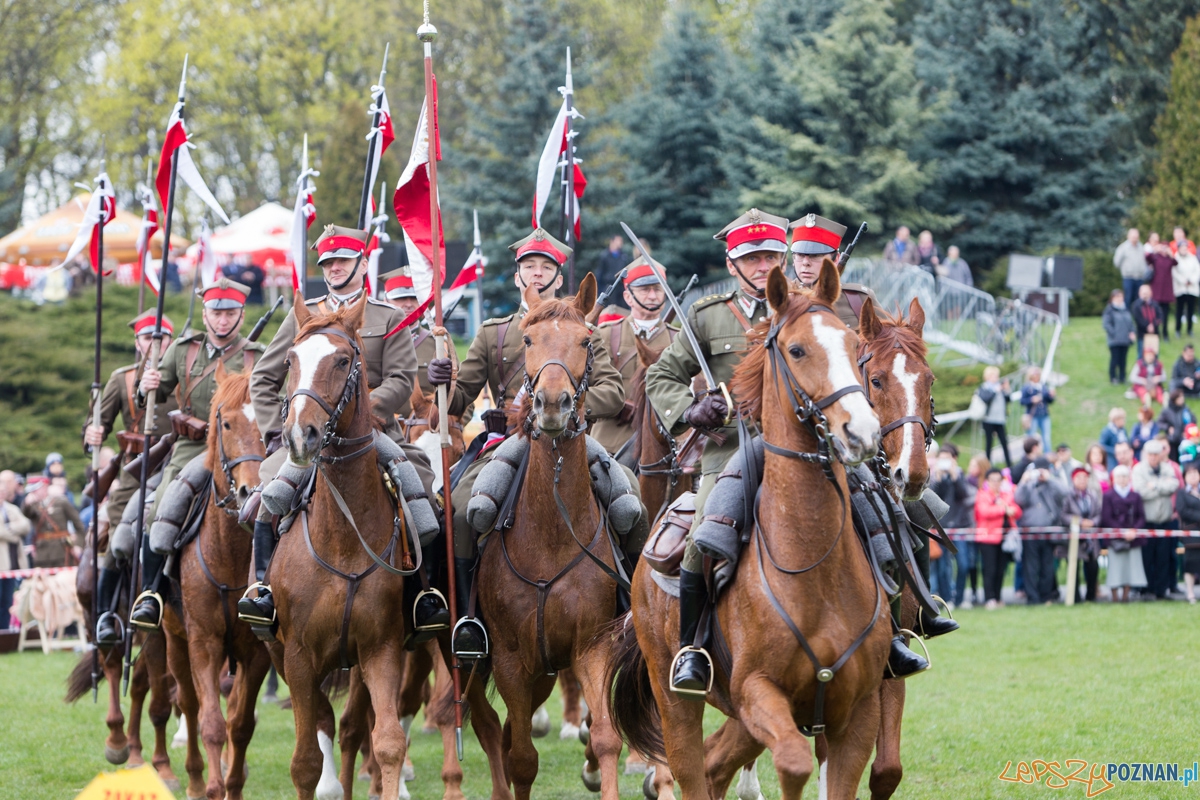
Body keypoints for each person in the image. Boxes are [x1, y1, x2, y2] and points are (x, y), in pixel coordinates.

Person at [649, 207, 929, 691]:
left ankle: (894, 632)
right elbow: (661, 375)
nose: (762, 266)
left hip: (816, 448)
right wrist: (691, 410)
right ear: (733, 264)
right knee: (702, 537)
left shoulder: (811, 311)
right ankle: (693, 648)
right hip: (731, 447)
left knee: (882, 516)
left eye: (769, 256)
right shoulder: (708, 314)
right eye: (751, 259)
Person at [424, 226, 629, 659]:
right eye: (528, 267)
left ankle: (630, 611)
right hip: (506, 444)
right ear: (517, 276)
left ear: (558, 275)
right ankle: (469, 620)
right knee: (461, 511)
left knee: (629, 503)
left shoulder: (580, 325)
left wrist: (573, 404)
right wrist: (442, 382)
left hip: (572, 440)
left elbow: (613, 391)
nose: (537, 274)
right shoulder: (495, 332)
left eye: (546, 267)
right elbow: (456, 402)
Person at [241, 225, 444, 640]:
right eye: (328, 263)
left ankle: (425, 597)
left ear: (363, 264)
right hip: (310, 437)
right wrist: (276, 432)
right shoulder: (305, 314)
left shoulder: (387, 317)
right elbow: (263, 378)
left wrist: (366, 415)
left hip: (369, 433)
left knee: (422, 494)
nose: (334, 268)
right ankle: (263, 589)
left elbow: (403, 378)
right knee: (266, 496)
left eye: (343, 261)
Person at [129, 279, 267, 629]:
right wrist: (146, 388)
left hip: (245, 448)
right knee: (162, 502)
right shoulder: (183, 349)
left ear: (241, 314)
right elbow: (153, 396)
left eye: (230, 313)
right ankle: (151, 592)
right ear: (205, 315)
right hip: (194, 446)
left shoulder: (257, 354)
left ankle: (272, 588)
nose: (223, 320)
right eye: (216, 313)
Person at [83, 310, 180, 644]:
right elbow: (96, 423)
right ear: (136, 342)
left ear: (171, 340)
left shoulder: (185, 370)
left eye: (161, 338)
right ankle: (106, 615)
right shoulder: (121, 378)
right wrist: (92, 435)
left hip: (180, 459)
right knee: (116, 534)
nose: (154, 344)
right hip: (135, 467)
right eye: (147, 338)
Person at [591, 256, 677, 454]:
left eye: (658, 289)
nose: (653, 296)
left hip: (663, 447)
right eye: (645, 290)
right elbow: (587, 387)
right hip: (610, 445)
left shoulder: (679, 339)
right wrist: (617, 405)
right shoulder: (605, 334)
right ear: (628, 297)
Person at [789, 213, 876, 329]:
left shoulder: (859, 299)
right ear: (793, 259)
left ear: (836, 259)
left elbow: (888, 341)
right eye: (799, 255)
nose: (806, 262)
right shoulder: (781, 300)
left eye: (815, 256)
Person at [1132, 439, 1180, 600]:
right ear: (1145, 454)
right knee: (1147, 557)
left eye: (1156, 454)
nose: (1153, 457)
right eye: (1150, 454)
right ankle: (1146, 590)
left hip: (1165, 521)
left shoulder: (1167, 468)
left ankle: (1161, 590)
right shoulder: (1138, 469)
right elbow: (1140, 492)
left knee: (1163, 557)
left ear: (1160, 455)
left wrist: (1154, 485)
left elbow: (1173, 486)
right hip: (1147, 521)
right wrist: (1161, 487)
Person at [1015, 456, 1066, 604]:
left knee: (1047, 566)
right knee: (1030, 567)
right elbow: (1018, 499)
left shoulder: (1053, 484)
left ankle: (1046, 595)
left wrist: (1050, 479)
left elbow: (1064, 493)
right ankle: (1032, 597)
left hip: (1049, 531)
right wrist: (1024, 482)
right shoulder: (1029, 484)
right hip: (1030, 532)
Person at [975, 468, 1021, 609]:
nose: (995, 483)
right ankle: (989, 598)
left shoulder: (1007, 495)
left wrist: (1007, 508)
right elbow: (984, 511)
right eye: (992, 480)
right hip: (987, 538)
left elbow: (1017, 511)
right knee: (990, 569)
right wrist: (1003, 509)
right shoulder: (982, 495)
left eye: (998, 480)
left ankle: (998, 597)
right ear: (987, 482)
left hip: (1005, 538)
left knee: (1001, 569)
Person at [1101, 465, 1147, 603]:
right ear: (1114, 479)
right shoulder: (1108, 496)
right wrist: (1122, 532)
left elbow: (1141, 517)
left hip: (1133, 538)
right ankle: (1114, 596)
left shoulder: (1135, 496)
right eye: (1119, 477)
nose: (1122, 479)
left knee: (1131, 568)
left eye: (1125, 476)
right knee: (1115, 568)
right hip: (1116, 538)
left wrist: (1133, 530)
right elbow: (1106, 518)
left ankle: (1125, 595)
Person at [929, 443, 968, 604]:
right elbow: (934, 498)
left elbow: (963, 494)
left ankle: (960, 598)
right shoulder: (934, 476)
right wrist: (937, 478)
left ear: (954, 460)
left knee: (963, 564)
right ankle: (947, 598)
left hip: (958, 526)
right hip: (941, 527)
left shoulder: (959, 474)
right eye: (942, 459)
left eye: (948, 459)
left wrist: (954, 476)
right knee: (943, 567)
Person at [22, 475, 83, 568]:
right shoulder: (32, 505)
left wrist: (78, 545)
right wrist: (26, 504)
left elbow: (79, 525)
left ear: (45, 487)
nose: (33, 493)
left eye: (35, 489)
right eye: (31, 491)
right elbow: (26, 514)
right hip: (42, 553)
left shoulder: (61, 502)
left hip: (61, 550)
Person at [1064, 466, 1102, 602]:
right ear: (1073, 479)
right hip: (1074, 537)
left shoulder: (1092, 495)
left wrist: (1092, 522)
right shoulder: (1068, 496)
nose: (1082, 480)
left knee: (1093, 567)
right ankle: (1075, 597)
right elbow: (1063, 515)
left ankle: (1091, 595)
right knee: (1074, 567)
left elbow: (1099, 512)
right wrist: (1079, 522)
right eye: (1078, 477)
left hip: (1091, 537)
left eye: (1084, 477)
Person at [957, 455, 990, 608]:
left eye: (974, 465)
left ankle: (978, 592)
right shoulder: (966, 482)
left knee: (979, 563)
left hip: (983, 528)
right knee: (968, 563)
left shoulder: (986, 485)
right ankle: (967, 593)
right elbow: (965, 500)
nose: (971, 468)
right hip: (968, 527)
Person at [0, 471, 31, 622]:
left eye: (2, 492)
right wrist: (14, 533)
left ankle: (4, 634)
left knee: (7, 601)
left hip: (12, 563)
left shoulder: (11, 508)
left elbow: (25, 525)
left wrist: (8, 528)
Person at [977, 366, 1012, 470]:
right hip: (988, 420)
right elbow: (985, 399)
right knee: (989, 443)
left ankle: (1009, 465)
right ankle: (988, 466)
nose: (996, 378)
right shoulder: (984, 387)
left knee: (1004, 442)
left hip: (1000, 419)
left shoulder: (999, 387)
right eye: (993, 376)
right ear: (988, 376)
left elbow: (1008, 399)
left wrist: (1007, 389)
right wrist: (995, 391)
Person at [1102, 289, 1136, 384]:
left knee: (1123, 360)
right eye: (1117, 296)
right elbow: (1106, 324)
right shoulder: (1109, 309)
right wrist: (1114, 334)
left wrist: (1132, 332)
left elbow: (1131, 323)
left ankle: (1122, 377)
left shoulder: (1125, 309)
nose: (1119, 299)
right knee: (1115, 359)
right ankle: (1113, 377)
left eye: (1121, 296)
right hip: (1114, 340)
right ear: (1112, 298)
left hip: (1125, 340)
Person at [1146, 238, 1177, 341]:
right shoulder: (1155, 257)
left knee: (1165, 313)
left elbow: (1176, 263)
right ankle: (1156, 331)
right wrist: (1155, 250)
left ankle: (1165, 332)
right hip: (1156, 290)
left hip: (1166, 290)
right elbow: (1147, 257)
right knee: (1155, 313)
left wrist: (1171, 253)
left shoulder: (1169, 259)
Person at [1019, 366, 1055, 451]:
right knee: (1031, 437)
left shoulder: (1042, 386)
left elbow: (1049, 400)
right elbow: (1022, 401)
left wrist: (1051, 396)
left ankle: (1048, 458)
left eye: (1038, 374)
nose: (1036, 376)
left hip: (1044, 414)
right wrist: (1031, 400)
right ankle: (1030, 456)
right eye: (1034, 374)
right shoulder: (1027, 388)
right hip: (1033, 416)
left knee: (1046, 438)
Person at [1159, 389, 1195, 461]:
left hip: (1183, 439)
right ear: (1175, 399)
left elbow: (1193, 420)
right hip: (1172, 439)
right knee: (1173, 459)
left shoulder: (1185, 409)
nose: (1182, 399)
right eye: (1180, 397)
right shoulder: (1167, 410)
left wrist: (1187, 430)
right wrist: (1168, 427)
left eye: (1182, 397)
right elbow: (1159, 423)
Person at [1130, 283, 1163, 361]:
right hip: (1142, 334)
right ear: (1139, 293)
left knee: (1155, 355)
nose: (1145, 294)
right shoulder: (1136, 305)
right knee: (1141, 355)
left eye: (1147, 292)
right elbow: (1138, 318)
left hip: (1154, 334)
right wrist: (1147, 326)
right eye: (1143, 293)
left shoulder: (1155, 304)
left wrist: (1153, 325)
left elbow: (1160, 316)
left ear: (1150, 293)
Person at [1173, 242, 1200, 336]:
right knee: (1179, 310)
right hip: (1181, 288)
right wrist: (1183, 281)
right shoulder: (1176, 258)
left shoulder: (1192, 258)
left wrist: (1191, 280)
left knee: (1190, 310)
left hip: (1192, 288)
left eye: (1185, 247)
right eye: (1182, 247)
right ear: (1179, 248)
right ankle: (1178, 330)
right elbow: (1174, 272)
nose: (1184, 249)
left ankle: (1189, 329)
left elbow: (1197, 270)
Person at [1114, 228, 1147, 306]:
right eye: (1133, 236)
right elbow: (1116, 262)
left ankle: (1137, 317)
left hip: (1139, 278)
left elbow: (1145, 261)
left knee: (1139, 300)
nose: (1135, 238)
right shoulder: (1123, 247)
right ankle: (1127, 317)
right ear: (1128, 236)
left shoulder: (1141, 247)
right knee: (1128, 299)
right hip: (1128, 278)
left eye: (1136, 236)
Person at [597, 235, 630, 310]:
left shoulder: (624, 256)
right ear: (612, 241)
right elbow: (600, 273)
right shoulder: (604, 256)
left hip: (621, 288)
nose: (621, 243)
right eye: (618, 241)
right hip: (609, 287)